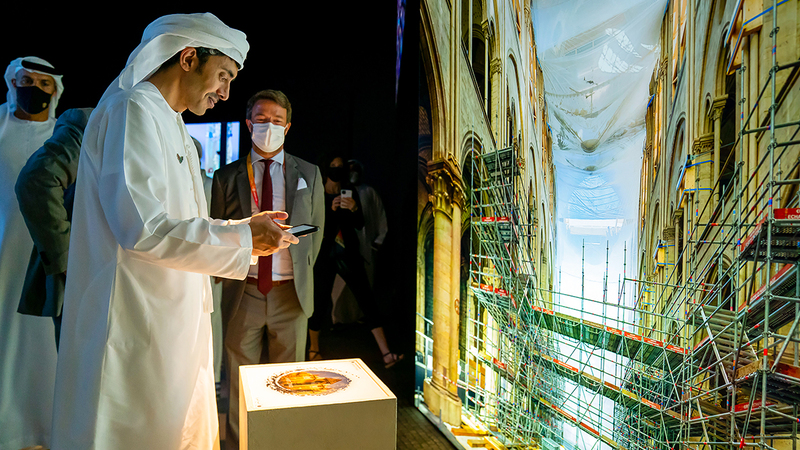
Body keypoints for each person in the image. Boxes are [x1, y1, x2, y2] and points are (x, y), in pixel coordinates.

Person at [50, 13, 298, 450]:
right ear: (188, 58)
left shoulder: (173, 123)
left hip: (172, 319)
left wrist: (240, 229)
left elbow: (179, 218)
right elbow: (141, 228)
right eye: (223, 76)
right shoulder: (132, 109)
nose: (225, 93)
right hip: (135, 322)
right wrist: (242, 240)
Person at [210, 89, 324, 450]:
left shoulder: (309, 173)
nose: (269, 127)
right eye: (261, 120)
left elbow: (316, 234)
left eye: (276, 121)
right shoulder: (226, 176)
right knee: (237, 380)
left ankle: (283, 443)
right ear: (248, 124)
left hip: (291, 293)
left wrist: (298, 272)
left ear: (287, 127)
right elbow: (217, 231)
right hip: (243, 291)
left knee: (290, 381)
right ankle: (236, 443)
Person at [0, 56, 63, 450]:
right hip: (3, 257)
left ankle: (46, 428)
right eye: (27, 81)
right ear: (12, 83)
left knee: (45, 343)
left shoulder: (63, 135)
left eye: (44, 84)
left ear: (55, 90)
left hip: (47, 257)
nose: (34, 90)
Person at [307, 153, 403, 369]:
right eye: (333, 165)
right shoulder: (317, 193)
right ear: (326, 168)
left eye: (340, 166)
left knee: (367, 300)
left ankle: (386, 353)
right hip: (325, 254)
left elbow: (359, 224)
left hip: (348, 254)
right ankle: (313, 349)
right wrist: (331, 211)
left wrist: (354, 208)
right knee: (319, 302)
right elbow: (315, 227)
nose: (337, 169)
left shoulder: (350, 191)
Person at [16, 107, 93, 350]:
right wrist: (67, 259)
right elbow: (37, 180)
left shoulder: (179, 137)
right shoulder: (90, 122)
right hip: (91, 284)